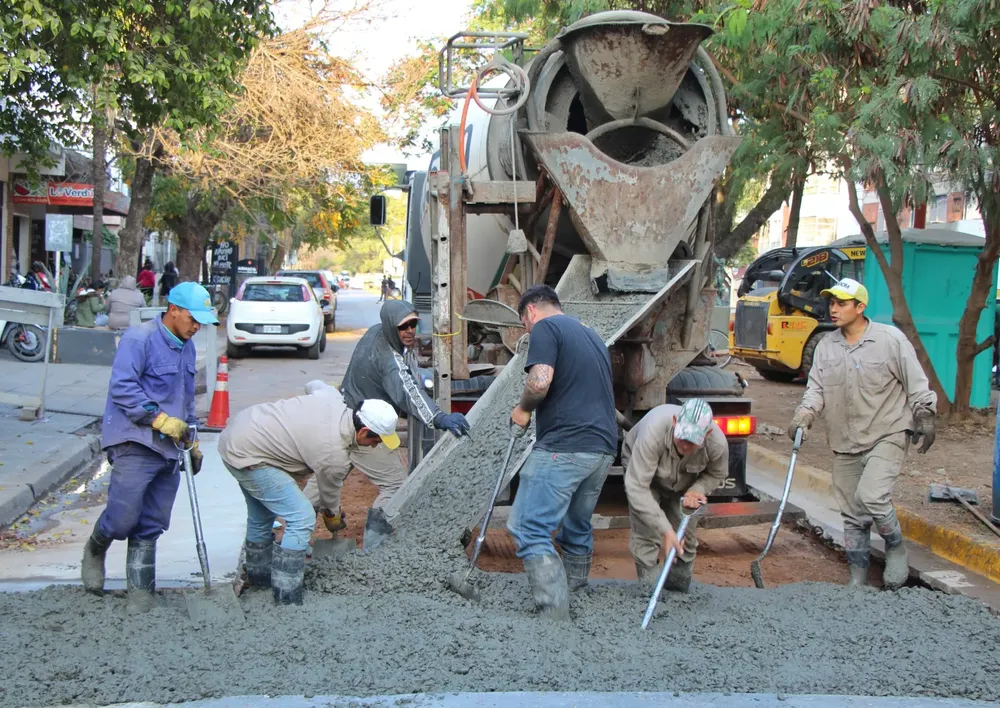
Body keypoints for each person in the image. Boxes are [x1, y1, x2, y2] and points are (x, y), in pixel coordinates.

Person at [79, 282, 219, 612]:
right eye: (192, 319)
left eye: (201, 322)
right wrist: (159, 420)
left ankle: (140, 597)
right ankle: (96, 548)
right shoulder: (138, 339)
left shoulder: (186, 347)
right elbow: (123, 389)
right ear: (173, 311)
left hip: (170, 448)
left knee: (152, 522)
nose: (197, 327)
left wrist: (191, 439)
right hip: (134, 440)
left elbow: (185, 401)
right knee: (123, 519)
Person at [789, 278, 937, 590]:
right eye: (831, 303)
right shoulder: (827, 346)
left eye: (841, 303)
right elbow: (815, 390)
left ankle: (895, 547)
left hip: (889, 430)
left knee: (872, 496)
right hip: (845, 439)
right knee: (852, 512)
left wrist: (924, 412)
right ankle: (858, 576)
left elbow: (916, 383)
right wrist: (804, 415)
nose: (833, 309)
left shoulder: (889, 340)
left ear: (860, 307)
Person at [301, 300, 471, 539]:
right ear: (392, 327)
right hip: (364, 429)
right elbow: (406, 391)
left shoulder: (374, 332)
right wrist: (438, 417)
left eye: (413, 324)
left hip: (340, 416)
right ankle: (375, 544)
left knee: (323, 479)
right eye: (404, 327)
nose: (410, 331)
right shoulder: (389, 359)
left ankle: (289, 542)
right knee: (395, 486)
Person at [219, 392, 399, 605]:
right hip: (250, 454)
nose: (375, 446)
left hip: (242, 430)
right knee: (302, 517)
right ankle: (287, 595)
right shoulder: (334, 455)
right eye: (375, 440)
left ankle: (260, 580)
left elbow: (315, 387)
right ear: (364, 431)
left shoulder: (333, 401)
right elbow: (329, 491)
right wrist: (331, 515)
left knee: (262, 515)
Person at [507, 284, 617, 620]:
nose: (528, 330)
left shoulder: (545, 327)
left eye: (525, 323)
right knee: (576, 524)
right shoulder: (591, 335)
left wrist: (524, 409)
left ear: (530, 312)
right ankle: (575, 592)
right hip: (602, 448)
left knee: (528, 527)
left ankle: (554, 613)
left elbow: (540, 381)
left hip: (564, 446)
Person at [622, 399, 727, 594]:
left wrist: (698, 489)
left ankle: (678, 593)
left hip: (685, 483)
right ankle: (649, 592)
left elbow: (717, 473)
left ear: (707, 434)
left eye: (692, 441)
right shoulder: (653, 434)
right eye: (682, 437)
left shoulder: (717, 444)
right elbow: (637, 487)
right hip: (644, 475)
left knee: (684, 538)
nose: (686, 446)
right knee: (646, 533)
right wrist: (666, 531)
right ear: (674, 421)